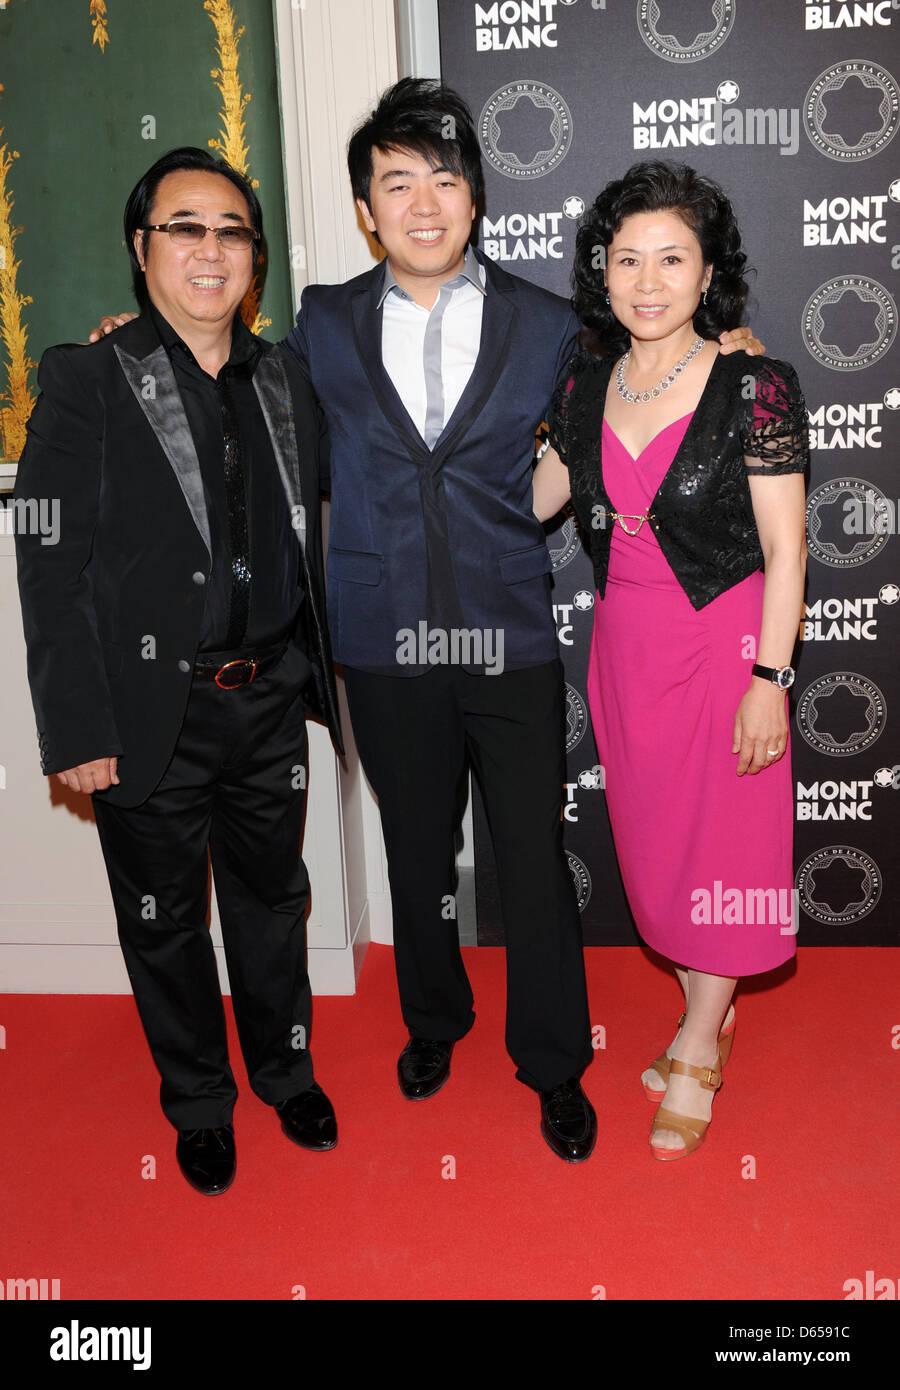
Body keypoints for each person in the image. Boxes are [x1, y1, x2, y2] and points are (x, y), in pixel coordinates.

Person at [91, 82, 763, 1164]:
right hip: (379, 633)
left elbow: (641, 381)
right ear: (366, 208)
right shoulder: (320, 321)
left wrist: (725, 348)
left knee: (531, 859)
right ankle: (434, 1023)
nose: (421, 203)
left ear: (476, 198)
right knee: (414, 851)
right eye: (395, 182)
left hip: (509, 630)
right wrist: (136, 339)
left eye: (443, 180)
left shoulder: (550, 324)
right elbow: (225, 379)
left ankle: (554, 1061)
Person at [15, 148, 344, 1195]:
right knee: (161, 920)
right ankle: (199, 1100)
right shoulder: (83, 378)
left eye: (233, 231)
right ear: (141, 248)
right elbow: (49, 564)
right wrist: (78, 727)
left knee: (272, 899)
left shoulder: (288, 377)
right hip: (149, 709)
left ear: (255, 255)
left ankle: (285, 1070)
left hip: (271, 699)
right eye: (184, 227)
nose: (211, 250)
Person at [533, 160, 808, 1160]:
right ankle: (712, 1008)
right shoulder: (583, 380)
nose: (647, 280)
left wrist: (769, 682)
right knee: (661, 851)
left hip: (727, 639)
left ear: (707, 275)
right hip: (627, 647)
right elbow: (537, 501)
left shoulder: (756, 383)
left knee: (727, 845)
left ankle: (699, 1036)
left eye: (671, 259)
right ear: (603, 275)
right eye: (627, 259)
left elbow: (787, 552)